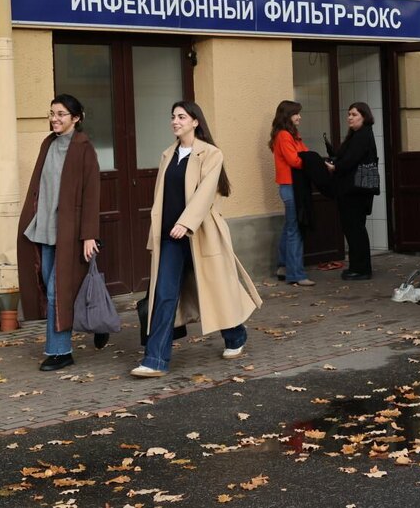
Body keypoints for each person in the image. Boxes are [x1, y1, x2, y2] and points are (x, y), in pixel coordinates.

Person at [131, 101, 263, 377]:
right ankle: (154, 360)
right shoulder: (168, 154)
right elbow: (161, 199)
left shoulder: (211, 154)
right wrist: (156, 235)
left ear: (195, 122)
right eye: (173, 117)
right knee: (164, 295)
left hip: (201, 235)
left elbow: (205, 194)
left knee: (214, 288)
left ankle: (236, 335)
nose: (175, 121)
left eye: (181, 117)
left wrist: (186, 223)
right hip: (170, 237)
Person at [16, 94, 103, 372]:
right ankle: (98, 320)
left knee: (57, 291)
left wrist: (89, 234)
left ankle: (60, 352)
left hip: (70, 232)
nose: (54, 118)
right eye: (52, 113)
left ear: (76, 118)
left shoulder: (83, 148)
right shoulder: (48, 144)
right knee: (52, 287)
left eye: (61, 114)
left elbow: (92, 194)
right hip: (45, 229)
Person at [326, 102, 378, 281]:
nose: (350, 117)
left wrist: (334, 167)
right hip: (354, 190)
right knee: (354, 229)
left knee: (355, 229)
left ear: (364, 116)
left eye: (354, 114)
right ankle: (358, 266)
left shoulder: (362, 135)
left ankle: (361, 269)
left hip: (355, 191)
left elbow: (350, 161)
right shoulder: (358, 134)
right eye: (349, 114)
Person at [269, 99, 314, 287]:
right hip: (290, 186)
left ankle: (283, 266)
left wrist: (313, 160)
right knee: (295, 230)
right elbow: (295, 160)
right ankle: (296, 274)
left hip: (291, 185)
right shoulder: (285, 136)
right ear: (288, 115)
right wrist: (314, 164)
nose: (299, 117)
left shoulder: (292, 134)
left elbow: (305, 153)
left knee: (290, 228)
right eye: (296, 113)